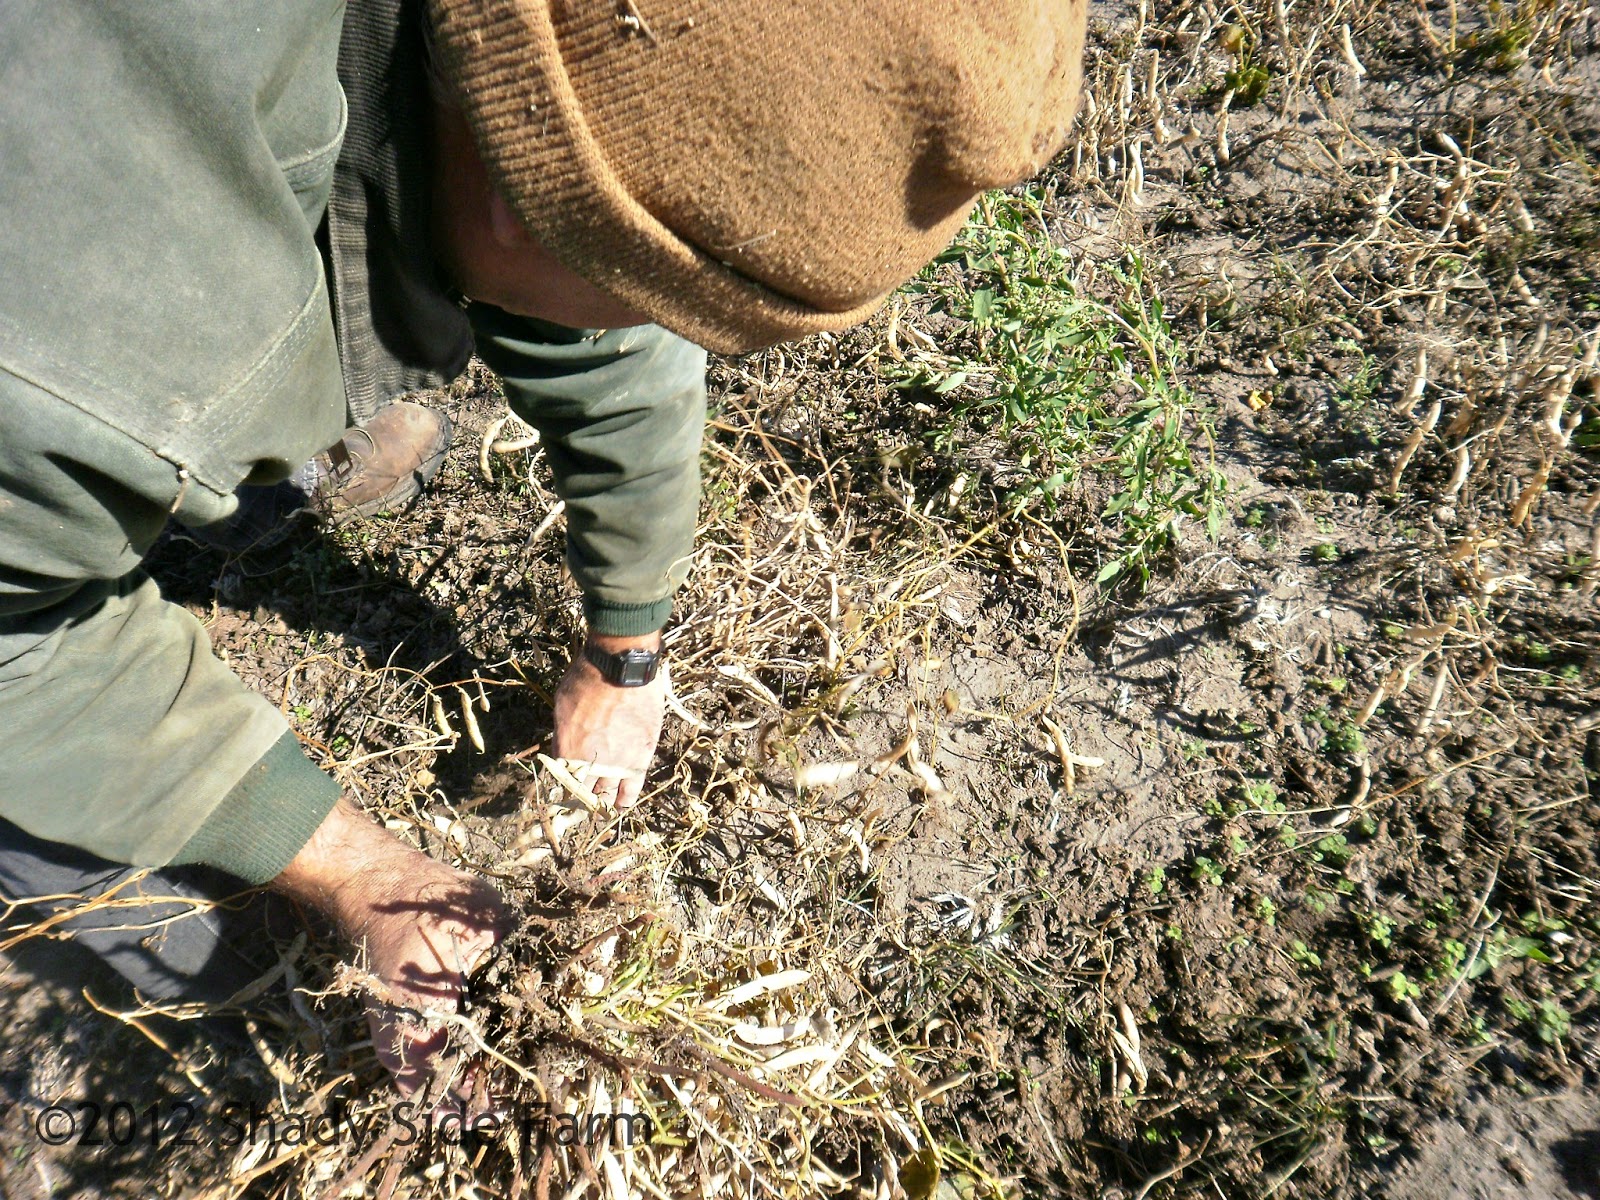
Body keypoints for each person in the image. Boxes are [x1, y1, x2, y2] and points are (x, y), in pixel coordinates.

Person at [0, 0, 1085, 1090]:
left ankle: (339, 349)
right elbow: (17, 654)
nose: (665, 331)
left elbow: (601, 335)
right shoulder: (71, 354)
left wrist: (629, 646)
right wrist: (358, 876)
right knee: (177, 923)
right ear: (536, 206)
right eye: (669, 301)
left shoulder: (534, 86)